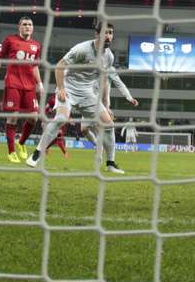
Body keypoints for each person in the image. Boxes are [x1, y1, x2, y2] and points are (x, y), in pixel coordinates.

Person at [26, 22, 139, 173]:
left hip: (87, 93)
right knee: (61, 119)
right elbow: (59, 66)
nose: (108, 36)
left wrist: (106, 104)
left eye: (110, 33)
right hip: (68, 88)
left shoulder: (109, 57)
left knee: (109, 125)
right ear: (96, 34)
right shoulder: (82, 49)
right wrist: (61, 88)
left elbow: (104, 81)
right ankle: (36, 154)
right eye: (105, 32)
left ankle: (111, 163)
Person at [0, 16, 44, 163]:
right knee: (13, 117)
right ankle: (11, 151)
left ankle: (21, 143)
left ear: (33, 28)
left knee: (34, 118)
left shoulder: (36, 45)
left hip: (29, 86)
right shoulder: (10, 40)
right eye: (24, 24)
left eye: (30, 24)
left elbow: (34, 66)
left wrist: (40, 83)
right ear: (19, 27)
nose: (27, 27)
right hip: (13, 83)